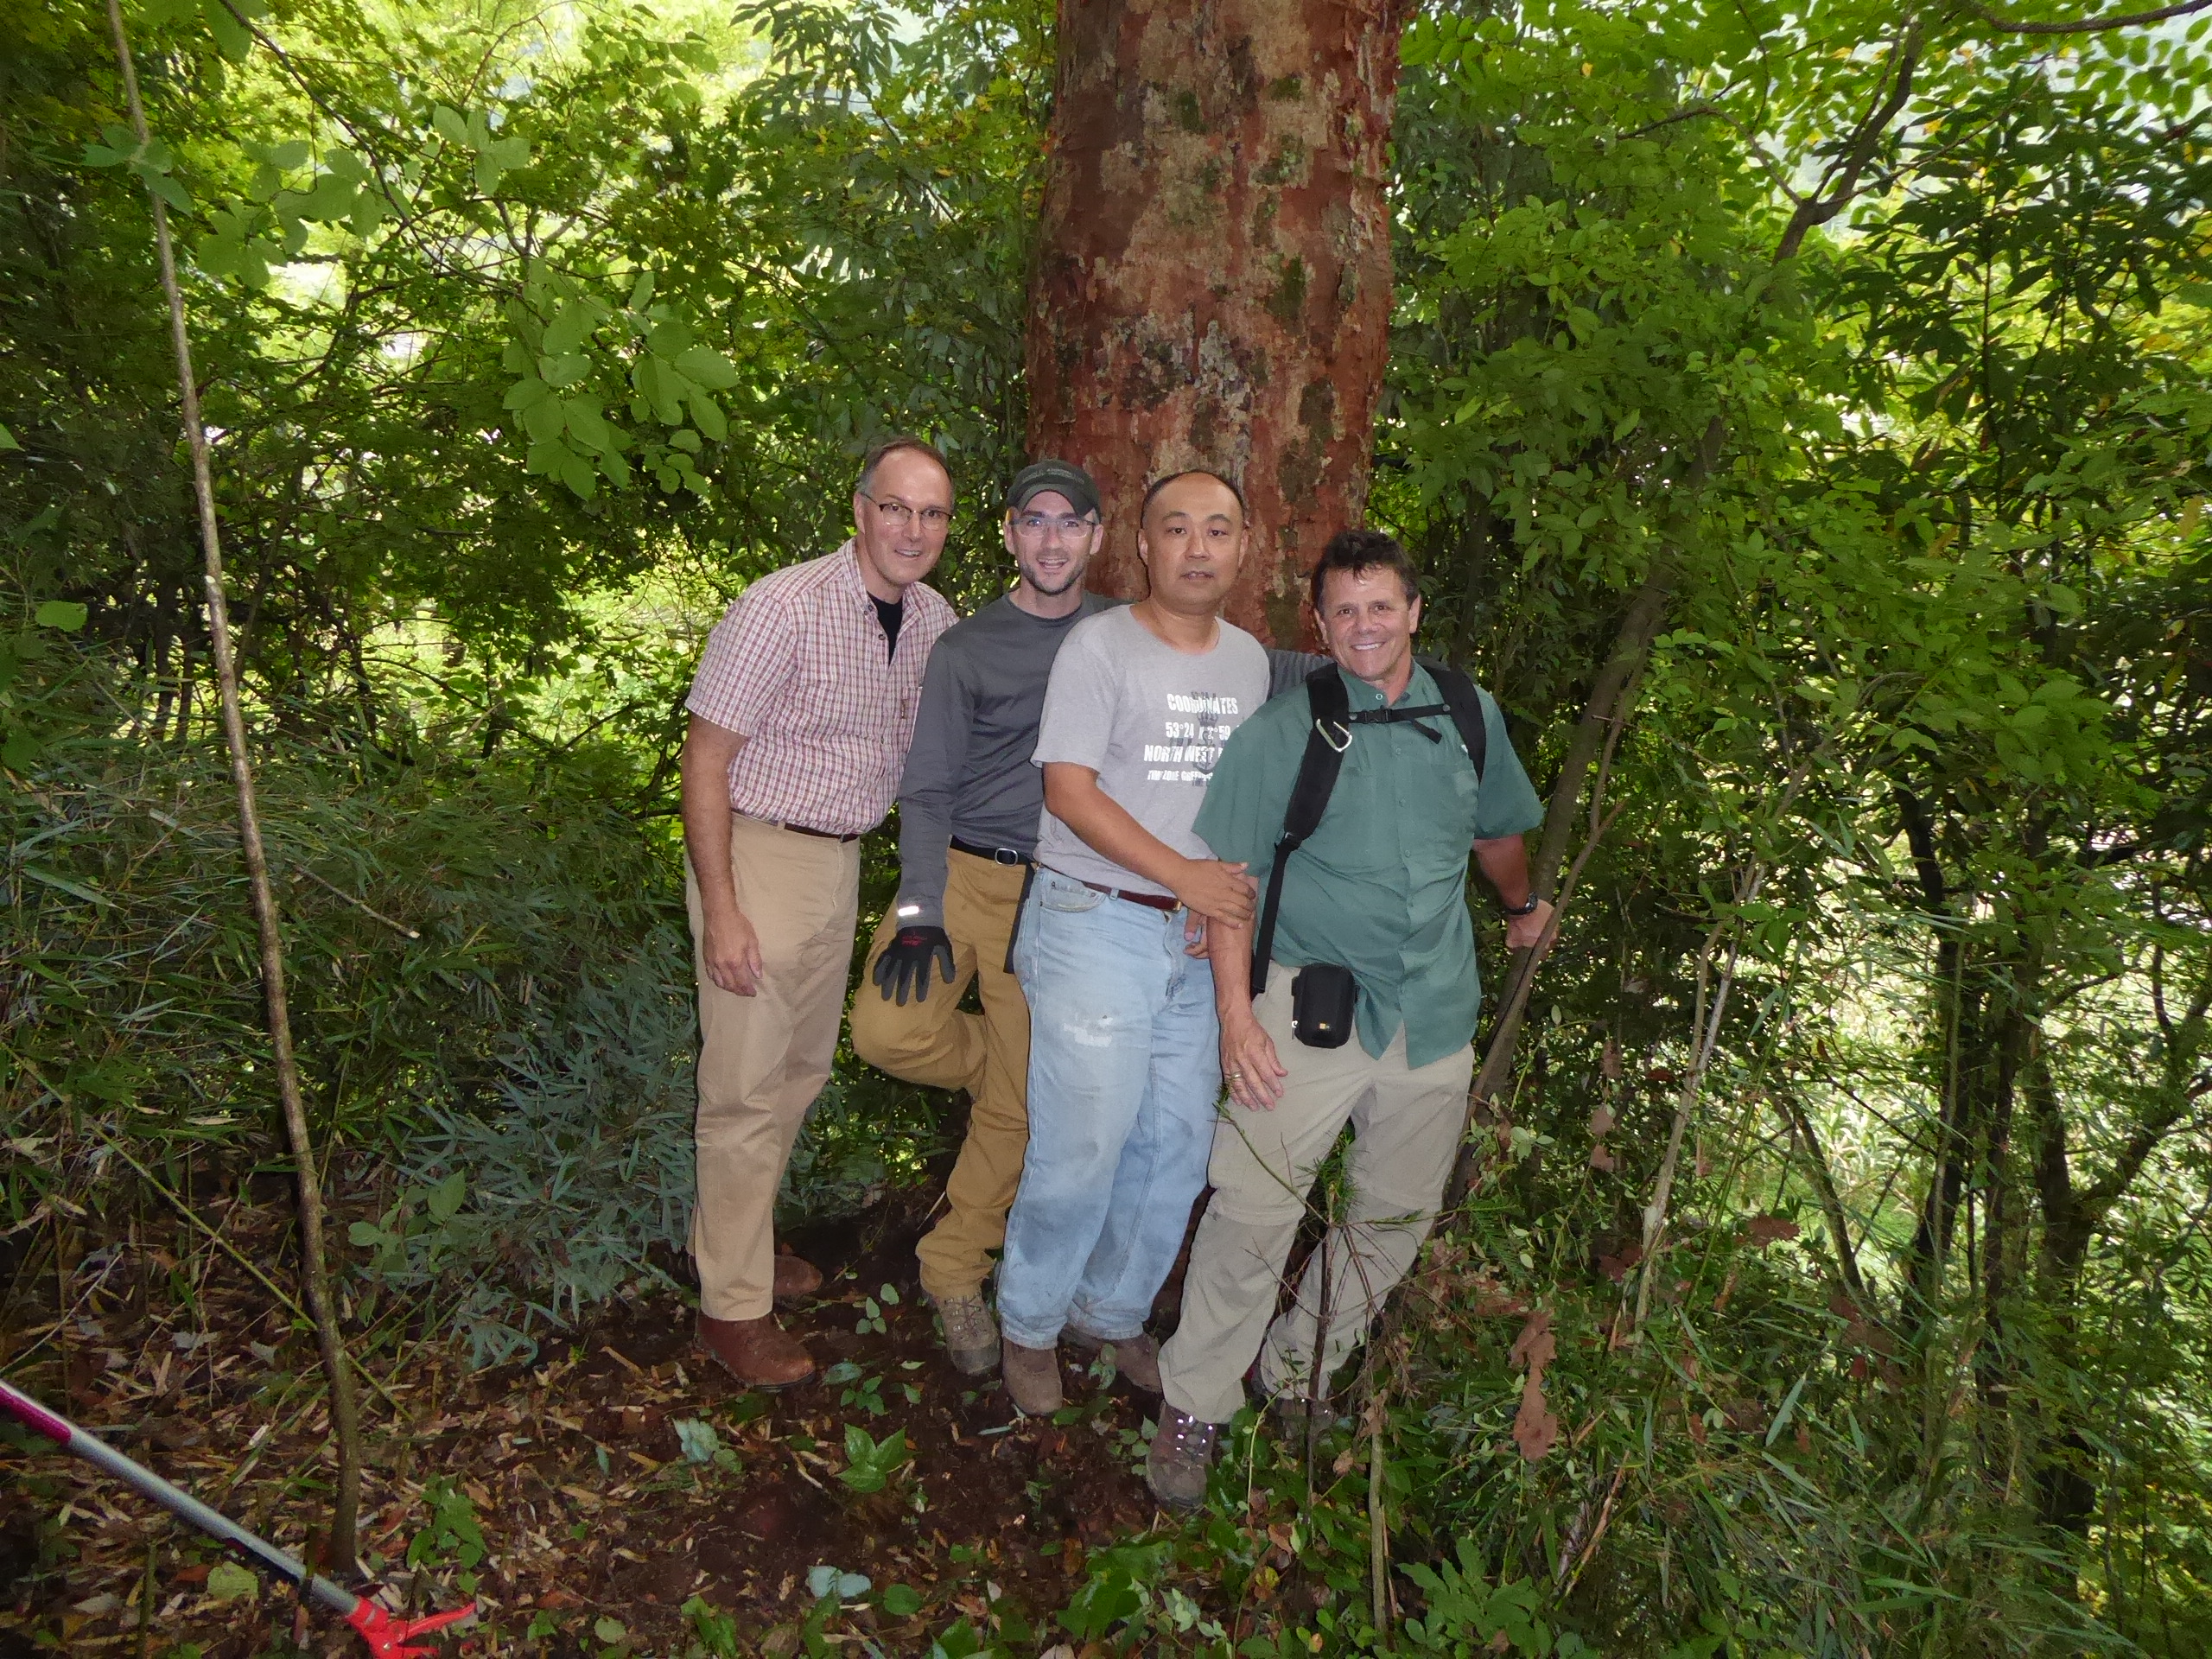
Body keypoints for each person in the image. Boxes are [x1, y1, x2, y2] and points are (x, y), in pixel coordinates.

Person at [1146, 528, 1554, 1508]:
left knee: (1394, 1217)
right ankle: (1196, 1402)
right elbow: (1228, 887)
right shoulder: (1286, 731)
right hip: (1307, 1013)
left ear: (1413, 611)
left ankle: (1298, 1371)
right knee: (1252, 1210)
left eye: (1381, 606)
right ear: (1319, 625)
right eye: (1344, 611)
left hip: (1436, 1012)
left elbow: (1499, 831)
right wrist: (1238, 1021)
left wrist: (1520, 907)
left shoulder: (1467, 711)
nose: (1364, 626)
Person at [678, 435, 958, 1389]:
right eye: (896, 507)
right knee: (744, 1090)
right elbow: (704, 760)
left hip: (839, 862)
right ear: (860, 509)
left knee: (794, 1075)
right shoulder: (781, 608)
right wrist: (722, 908)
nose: (912, 529)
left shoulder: (931, 621)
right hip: (756, 852)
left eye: (931, 514)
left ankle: (736, 1243)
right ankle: (732, 1309)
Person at [994, 469, 1272, 1416]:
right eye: (1177, 529)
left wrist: (1211, 891)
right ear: (1142, 545)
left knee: (1176, 1148)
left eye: (1217, 531)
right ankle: (1027, 1324)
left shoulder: (1248, 663)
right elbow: (1067, 790)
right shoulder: (1097, 647)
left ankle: (1106, 1311)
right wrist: (1181, 876)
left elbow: (1236, 808)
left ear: (1244, 546)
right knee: (1083, 1142)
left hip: (1191, 943)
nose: (1198, 548)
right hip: (1091, 919)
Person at [848, 460, 1114, 1375]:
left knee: (1015, 1107)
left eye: (1068, 522)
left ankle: (953, 1270)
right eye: (1032, 522)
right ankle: (1002, 1076)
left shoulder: (1126, 637)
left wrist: (1359, 667)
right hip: (958, 877)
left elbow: (1231, 674)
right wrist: (919, 907)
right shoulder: (966, 648)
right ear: (1007, 534)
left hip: (1054, 896)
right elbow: (924, 788)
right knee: (884, 1031)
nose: (1050, 539)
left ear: (1095, 537)